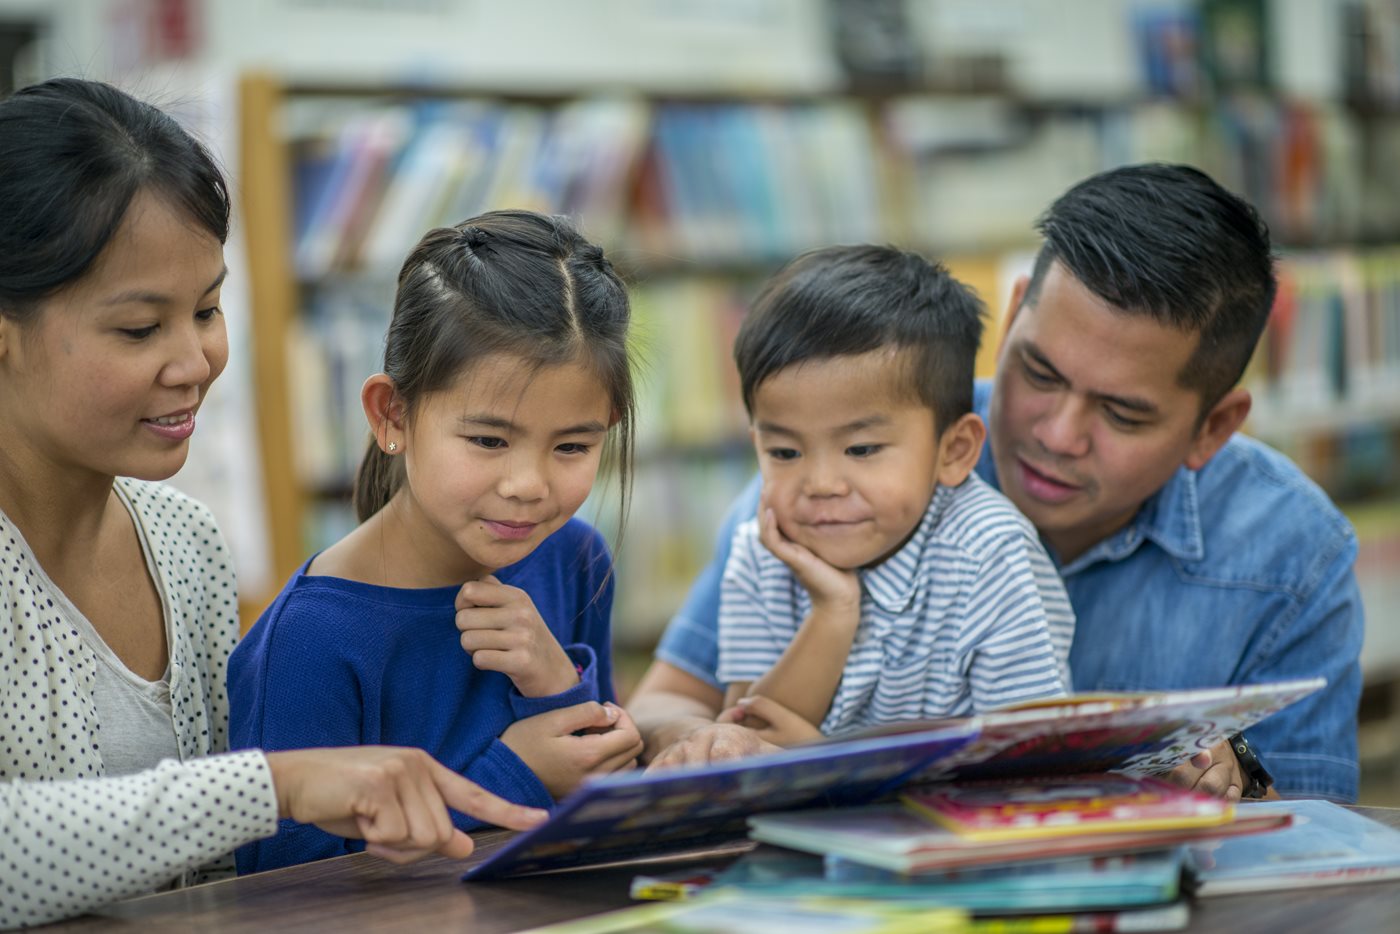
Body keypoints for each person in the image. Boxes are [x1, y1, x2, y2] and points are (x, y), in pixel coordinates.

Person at [631, 164, 1363, 804]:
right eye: (1038, 373)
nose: (1056, 433)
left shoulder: (1292, 549)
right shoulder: (848, 462)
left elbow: (1315, 818)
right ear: (1012, 316)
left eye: (1122, 413)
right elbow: (665, 701)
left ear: (1213, 427)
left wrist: (1232, 774)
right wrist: (716, 746)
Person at [0, 79, 546, 930]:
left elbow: (236, 874)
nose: (195, 361)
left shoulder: (184, 541)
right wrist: (279, 784)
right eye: (140, 329)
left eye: (209, 309)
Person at [229, 210, 645, 873]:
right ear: (393, 415)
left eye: (572, 444)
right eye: (488, 440)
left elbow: (595, 794)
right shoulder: (309, 642)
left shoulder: (576, 557)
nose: (528, 484)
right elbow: (284, 890)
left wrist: (557, 681)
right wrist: (511, 776)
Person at [713, 245, 1072, 745]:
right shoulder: (761, 549)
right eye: (785, 453)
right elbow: (744, 739)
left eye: (860, 449)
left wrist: (832, 770)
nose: (821, 485)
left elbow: (1031, 759)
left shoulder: (989, 552)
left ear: (954, 450)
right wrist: (832, 613)